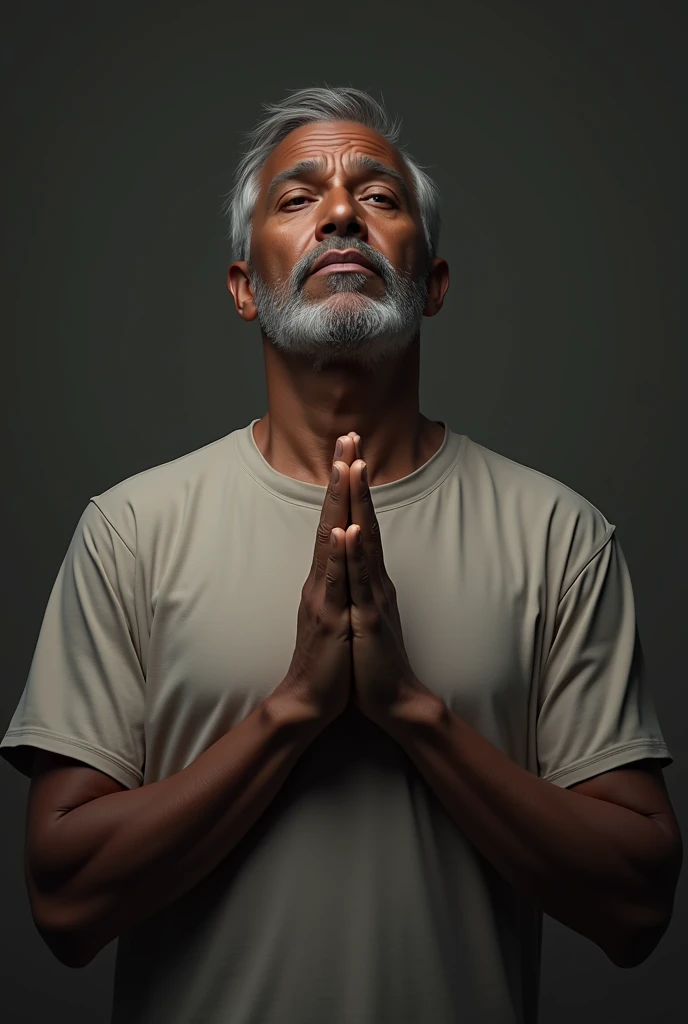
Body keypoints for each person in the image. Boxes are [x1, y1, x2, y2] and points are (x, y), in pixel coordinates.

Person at [0, 85, 681, 1024]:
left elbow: (639, 907)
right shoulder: (130, 531)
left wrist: (409, 710)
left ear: (433, 283)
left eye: (379, 196)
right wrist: (295, 710)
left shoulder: (560, 537)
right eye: (296, 198)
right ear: (245, 286)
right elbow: (64, 904)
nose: (338, 214)